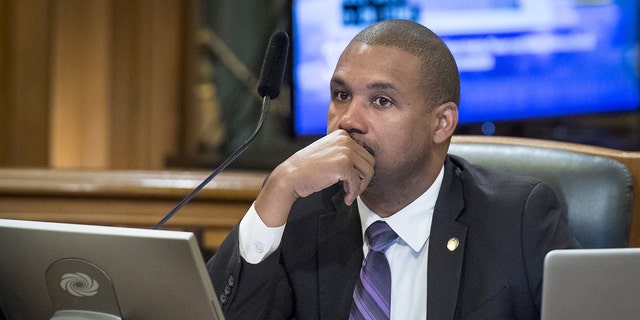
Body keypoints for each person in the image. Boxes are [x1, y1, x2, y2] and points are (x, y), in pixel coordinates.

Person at [207, 19, 580, 319]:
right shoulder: (301, 210)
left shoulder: (517, 218)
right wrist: (277, 189)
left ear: (441, 123)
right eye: (341, 95)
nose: (348, 120)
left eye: (381, 101)